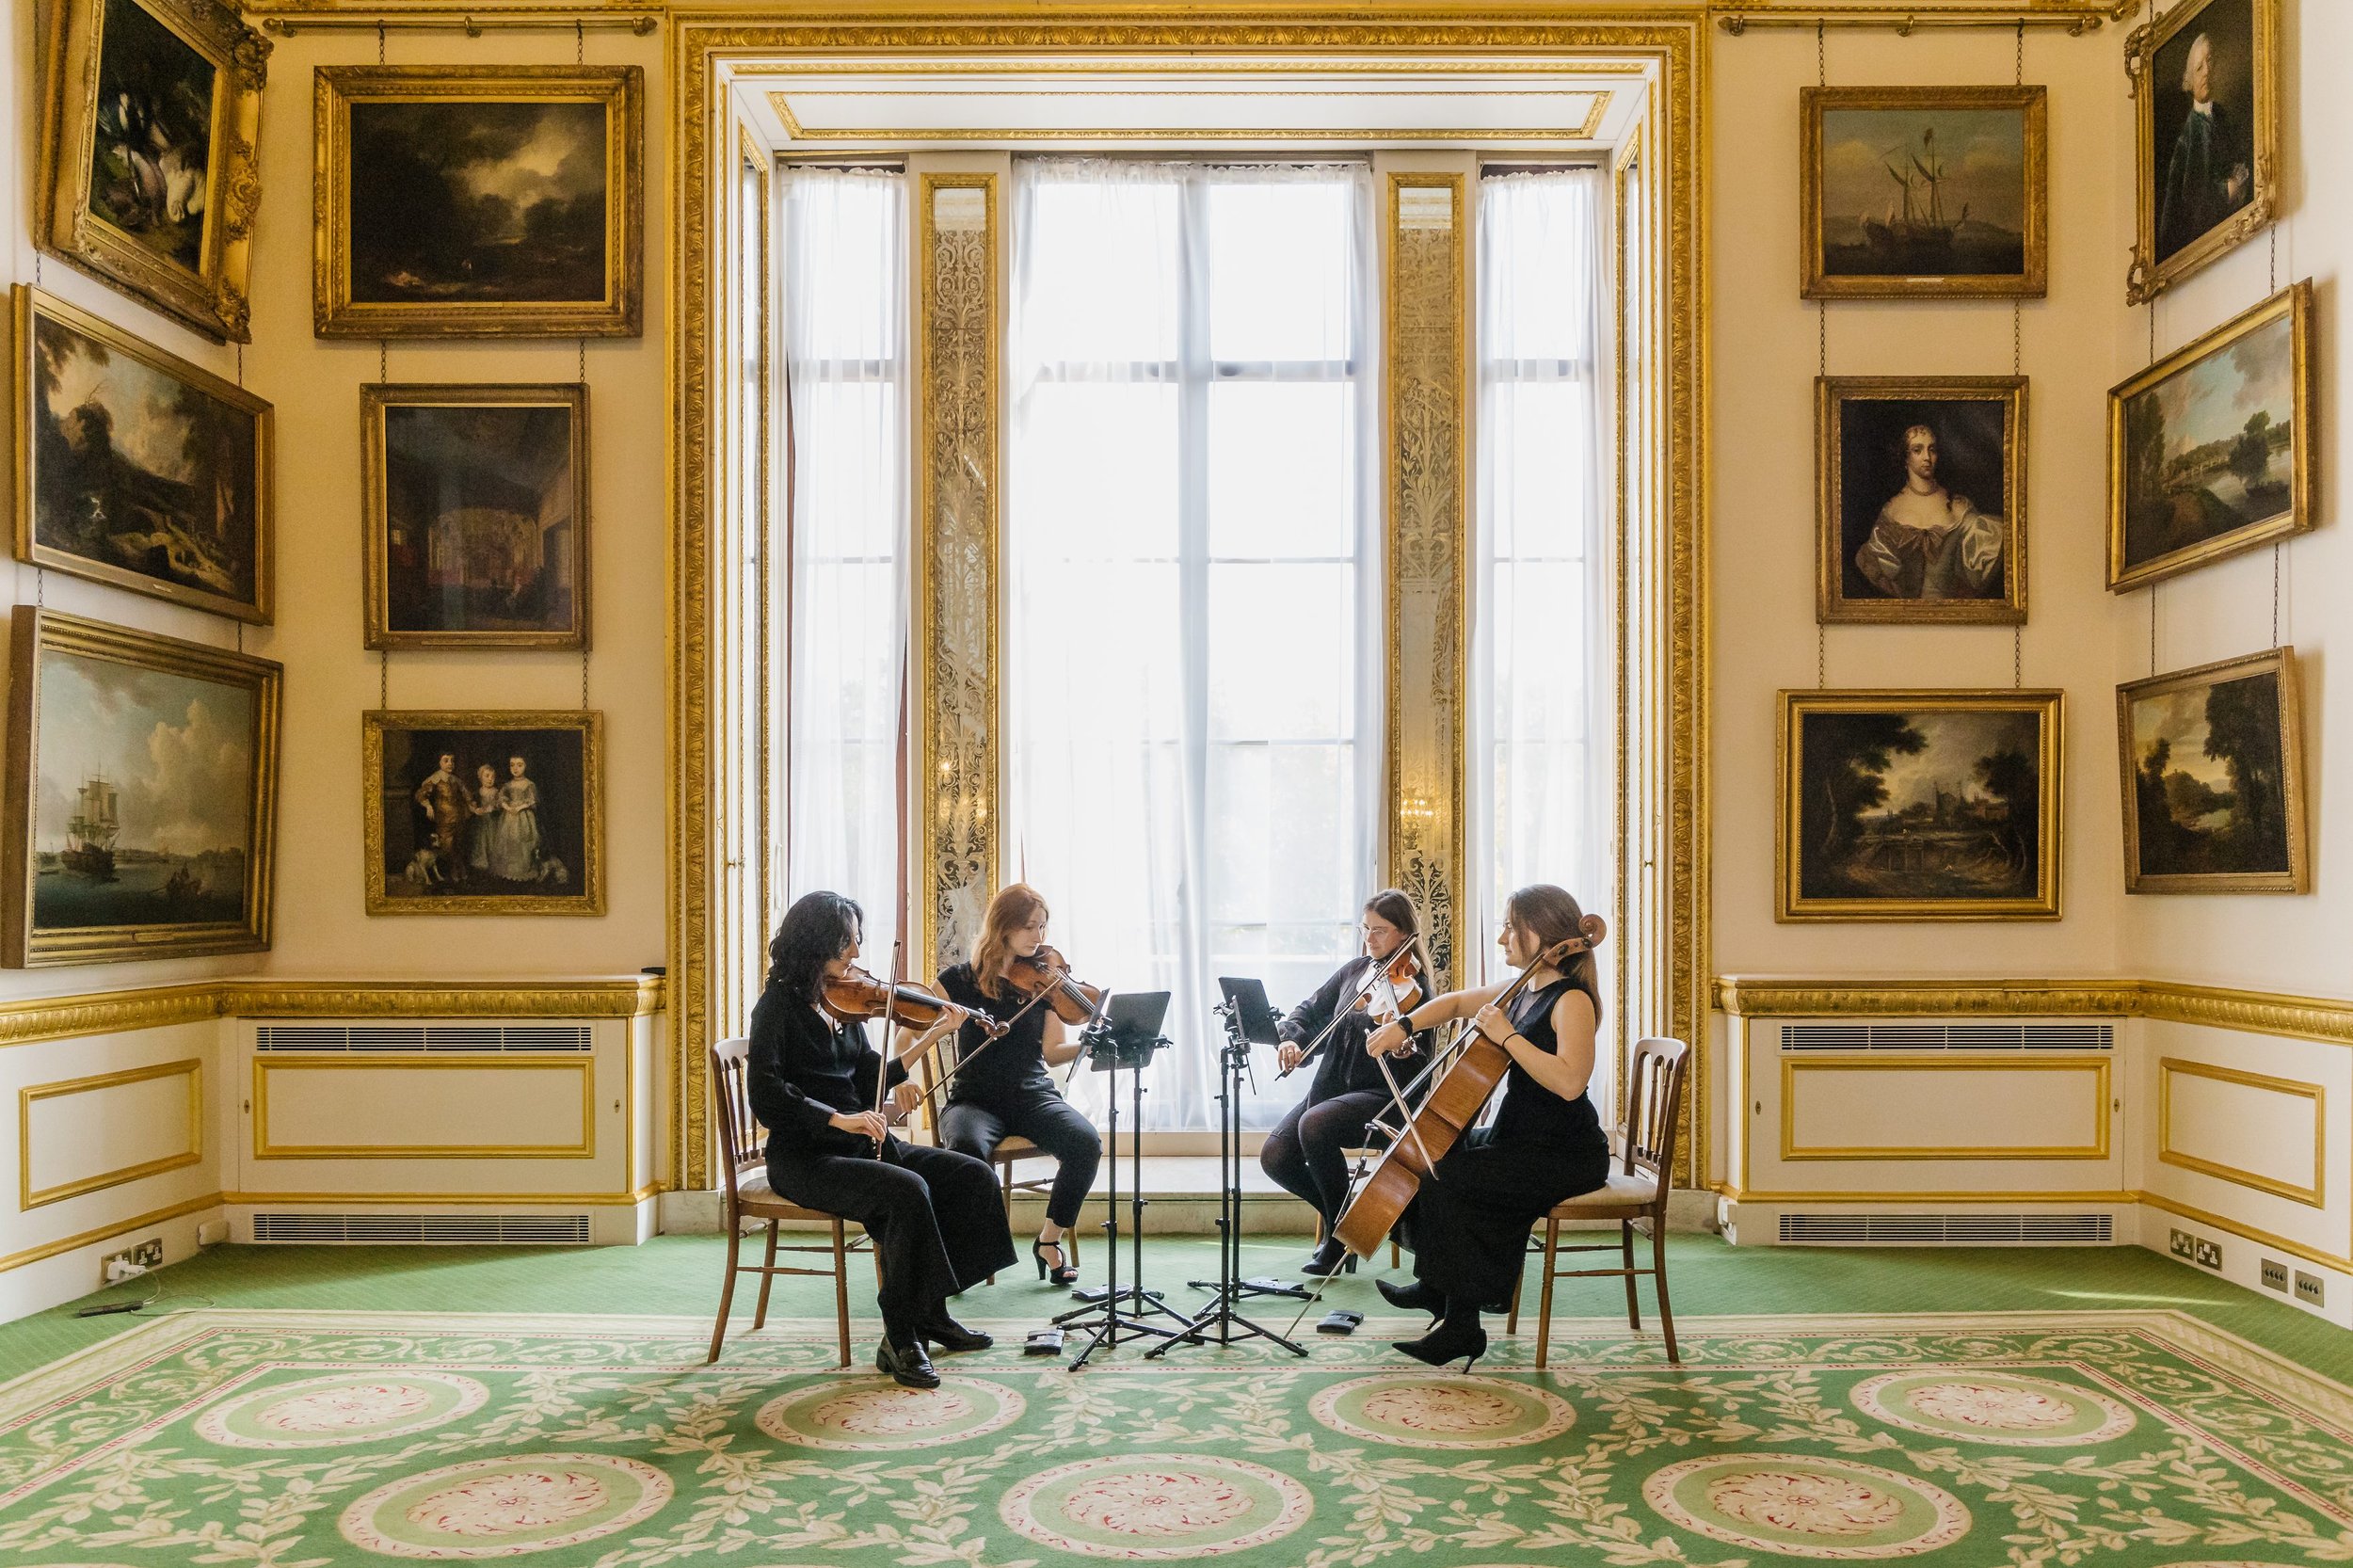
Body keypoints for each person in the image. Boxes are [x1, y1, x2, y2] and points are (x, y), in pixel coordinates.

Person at [748, 891, 1017, 1388]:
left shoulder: (841, 1003)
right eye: (848, 943)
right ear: (818, 945)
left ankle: (931, 1312)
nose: (856, 954)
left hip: (857, 1147)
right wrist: (838, 1119)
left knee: (969, 1175)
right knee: (906, 1190)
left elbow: (872, 1071)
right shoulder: (776, 1009)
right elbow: (766, 1096)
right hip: (806, 1157)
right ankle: (900, 1336)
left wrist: (933, 1036)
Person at [1363, 884, 1611, 1370]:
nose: (1502, 939)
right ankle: (1439, 1289)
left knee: (1450, 1181)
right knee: (1429, 1153)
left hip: (1565, 1152)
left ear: (1541, 932)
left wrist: (1508, 1037)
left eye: (1510, 927)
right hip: (1518, 1138)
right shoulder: (1523, 989)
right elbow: (1455, 1003)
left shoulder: (1571, 1000)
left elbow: (1569, 1083)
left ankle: (1462, 1326)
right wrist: (1404, 1027)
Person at [925, 885, 1102, 1287]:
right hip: (973, 1100)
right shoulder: (958, 980)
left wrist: (1091, 1044)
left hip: (1032, 1095)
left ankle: (1049, 1241)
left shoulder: (1043, 984)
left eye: (1043, 927)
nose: (1039, 938)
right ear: (1003, 927)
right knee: (968, 1152)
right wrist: (911, 1059)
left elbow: (1054, 1051)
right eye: (1030, 928)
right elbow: (913, 1027)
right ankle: (972, 1255)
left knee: (1085, 1143)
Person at [1259, 889, 1431, 1277]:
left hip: (1385, 1096)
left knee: (1314, 1123)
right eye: (1365, 929)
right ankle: (1347, 1212)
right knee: (1275, 1155)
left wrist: (1402, 1047)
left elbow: (1419, 1059)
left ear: (1405, 935)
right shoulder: (1356, 971)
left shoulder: (1416, 990)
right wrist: (1292, 1039)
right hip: (1332, 1089)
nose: (1369, 939)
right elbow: (1308, 1012)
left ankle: (1338, 1240)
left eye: (1380, 931)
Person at [1853, 423, 2004, 601]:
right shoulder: (1892, 510)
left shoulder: (1958, 507)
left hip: (1952, 618)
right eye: (1918, 450)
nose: (1927, 457)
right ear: (1905, 458)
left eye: (1932, 449)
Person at [2157, 31, 2251, 262]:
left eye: (2210, 62)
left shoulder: (2221, 115)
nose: (2207, 72)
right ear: (2190, 79)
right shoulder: (2189, 136)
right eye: (2199, 68)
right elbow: (2192, 200)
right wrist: (2226, 191)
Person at [411, 752, 470, 886]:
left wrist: (473, 807)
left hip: (458, 817)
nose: (450, 763)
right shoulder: (435, 779)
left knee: (459, 843)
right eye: (446, 760)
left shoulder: (456, 780)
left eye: (452, 761)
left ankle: (460, 869)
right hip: (443, 819)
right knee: (446, 845)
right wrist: (428, 806)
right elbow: (420, 794)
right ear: (439, 763)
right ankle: (451, 871)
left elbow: (466, 794)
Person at [486, 755, 542, 882]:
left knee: (523, 842)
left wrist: (519, 807)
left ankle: (523, 870)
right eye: (512, 765)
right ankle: (509, 871)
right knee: (509, 841)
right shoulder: (507, 785)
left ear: (526, 766)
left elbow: (533, 800)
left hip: (524, 817)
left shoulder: (529, 784)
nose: (515, 768)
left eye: (519, 765)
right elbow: (501, 799)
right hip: (509, 817)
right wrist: (507, 807)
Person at [466, 763, 500, 877]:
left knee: (493, 841)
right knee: (481, 841)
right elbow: (471, 804)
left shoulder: (496, 792)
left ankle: (494, 864)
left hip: (493, 821)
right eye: (487, 776)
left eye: (493, 777)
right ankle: (481, 862)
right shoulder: (477, 792)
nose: (490, 779)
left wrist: (493, 808)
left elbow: (499, 805)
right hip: (481, 822)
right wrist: (475, 810)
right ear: (480, 777)